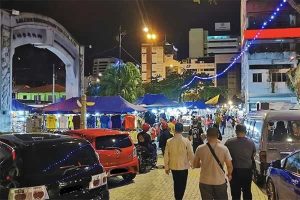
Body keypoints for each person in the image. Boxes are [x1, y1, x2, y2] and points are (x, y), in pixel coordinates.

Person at [193, 127, 233, 200]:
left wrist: (203, 164)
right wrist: (229, 174)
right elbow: (229, 165)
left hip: (204, 182)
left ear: (207, 136)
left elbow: (195, 165)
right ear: (217, 136)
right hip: (220, 182)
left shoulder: (200, 148)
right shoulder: (224, 148)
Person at [225, 124, 256, 200]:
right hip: (247, 171)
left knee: (235, 193)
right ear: (245, 132)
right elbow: (253, 154)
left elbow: (225, 154)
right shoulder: (251, 142)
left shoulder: (229, 142)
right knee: (247, 191)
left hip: (234, 171)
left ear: (236, 132)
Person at [164, 123, 194, 200]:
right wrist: (193, 164)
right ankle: (179, 198)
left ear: (174, 130)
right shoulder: (186, 141)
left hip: (173, 167)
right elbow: (191, 154)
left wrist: (166, 167)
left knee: (176, 184)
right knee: (182, 185)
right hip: (183, 167)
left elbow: (166, 155)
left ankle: (177, 198)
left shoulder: (169, 141)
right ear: (182, 130)